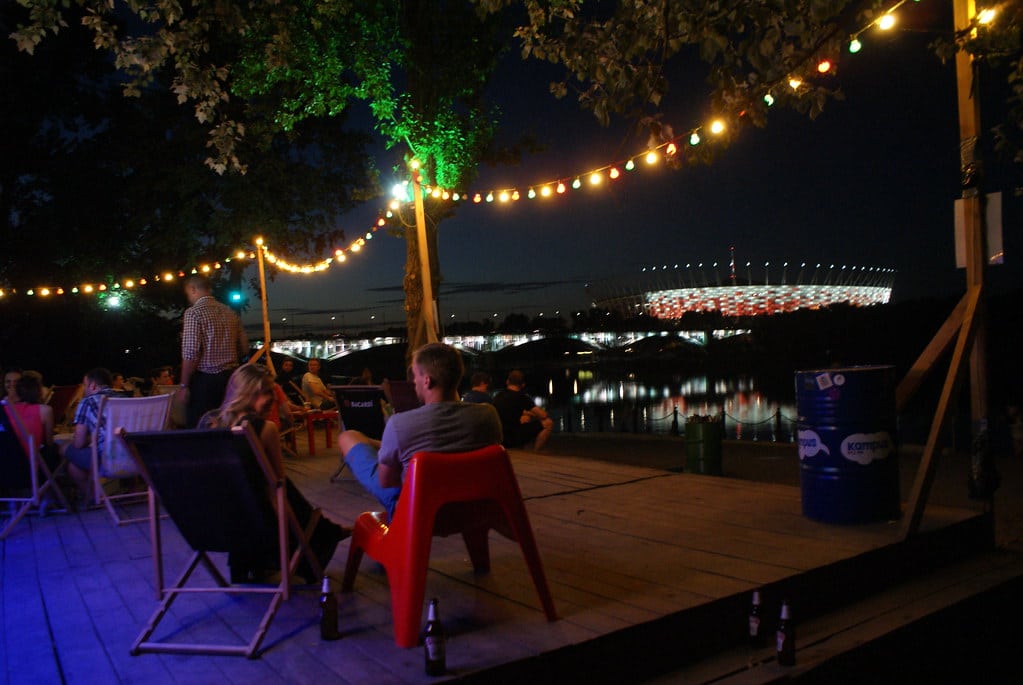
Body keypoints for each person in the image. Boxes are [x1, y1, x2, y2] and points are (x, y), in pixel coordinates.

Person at [198, 364, 349, 583]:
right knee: (279, 486)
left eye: (271, 391)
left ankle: (328, 530)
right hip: (260, 524)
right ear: (246, 393)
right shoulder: (263, 429)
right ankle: (326, 533)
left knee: (259, 487)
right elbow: (279, 486)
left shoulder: (210, 426)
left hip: (219, 522)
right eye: (264, 392)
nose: (271, 398)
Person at [338, 342, 502, 518]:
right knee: (384, 445)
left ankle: (383, 448)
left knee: (347, 437)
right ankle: (384, 446)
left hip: (417, 512)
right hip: (473, 509)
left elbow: (387, 482)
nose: (413, 382)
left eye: (415, 376)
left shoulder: (399, 424)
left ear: (427, 380)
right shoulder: (488, 414)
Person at [176, 276, 249, 427]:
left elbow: (191, 353)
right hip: (231, 378)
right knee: (227, 425)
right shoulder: (230, 312)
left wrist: (184, 385)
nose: (189, 298)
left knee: (201, 427)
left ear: (193, 289)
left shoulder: (193, 313)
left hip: (206, 381)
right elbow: (243, 348)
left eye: (188, 294)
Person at [59, 368, 117, 502]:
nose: (84, 389)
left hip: (106, 460)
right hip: (134, 458)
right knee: (73, 466)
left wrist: (91, 437)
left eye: (84, 385)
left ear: (93, 385)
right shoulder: (127, 399)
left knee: (63, 448)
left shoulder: (88, 401)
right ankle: (94, 497)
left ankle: (93, 498)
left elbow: (78, 443)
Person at [492, 370, 554, 451]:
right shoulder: (522, 398)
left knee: (525, 417)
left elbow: (510, 410)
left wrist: (527, 414)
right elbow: (543, 415)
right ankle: (536, 450)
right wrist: (534, 414)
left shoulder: (498, 396)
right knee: (548, 423)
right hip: (512, 437)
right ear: (523, 385)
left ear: (507, 382)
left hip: (499, 437)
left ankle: (522, 448)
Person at [10, 374, 57, 468]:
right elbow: (49, 442)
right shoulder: (45, 410)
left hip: (9, 464)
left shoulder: (6, 410)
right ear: (38, 391)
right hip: (33, 465)